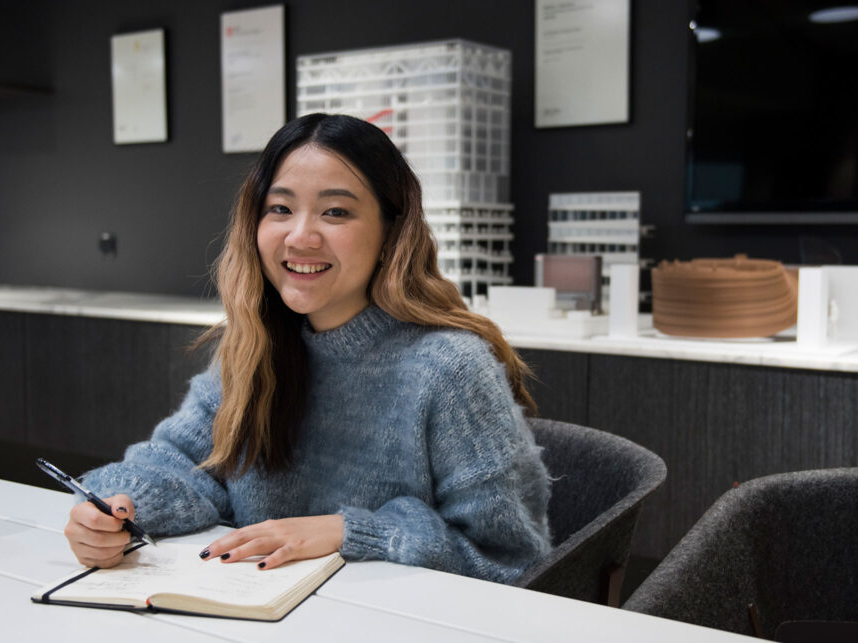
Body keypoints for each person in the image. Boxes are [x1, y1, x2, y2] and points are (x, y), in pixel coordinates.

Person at [63, 113, 553, 584]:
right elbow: (186, 465)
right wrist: (118, 510)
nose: (300, 237)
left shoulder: (450, 369)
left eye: (336, 211)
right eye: (280, 209)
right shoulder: (254, 343)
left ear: (391, 232)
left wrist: (350, 531)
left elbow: (511, 562)